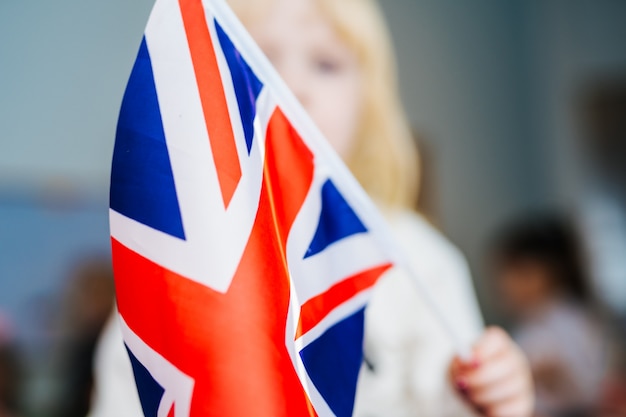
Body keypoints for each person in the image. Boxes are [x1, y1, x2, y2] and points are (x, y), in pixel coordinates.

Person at [89, 0, 534, 416]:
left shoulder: (417, 256)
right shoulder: (179, 256)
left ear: (370, 99)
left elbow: (451, 385)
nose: (293, 87)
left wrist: (487, 386)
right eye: (261, 60)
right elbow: (127, 394)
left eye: (326, 64)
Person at [490, 214, 606, 416]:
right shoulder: (537, 320)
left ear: (547, 273)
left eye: (517, 271)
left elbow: (581, 386)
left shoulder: (564, 321)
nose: (503, 283)